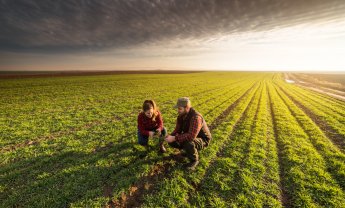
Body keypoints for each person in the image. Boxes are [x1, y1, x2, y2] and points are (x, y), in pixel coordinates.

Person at [165, 97, 212, 170]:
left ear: (187, 108)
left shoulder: (196, 117)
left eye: (180, 109)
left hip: (203, 139)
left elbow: (191, 136)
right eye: (178, 108)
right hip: (190, 136)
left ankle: (194, 160)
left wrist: (175, 138)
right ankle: (187, 151)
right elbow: (177, 130)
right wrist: (170, 136)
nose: (178, 111)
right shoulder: (181, 116)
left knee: (188, 142)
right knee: (173, 141)